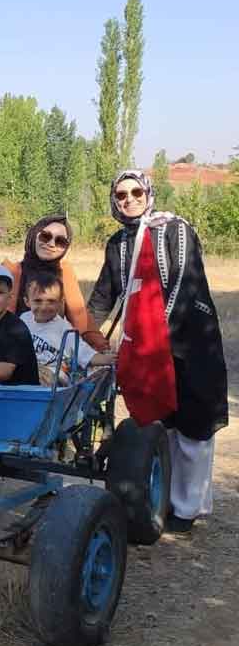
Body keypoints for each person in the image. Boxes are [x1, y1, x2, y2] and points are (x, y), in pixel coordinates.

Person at [87, 169, 228, 533]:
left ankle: (188, 508)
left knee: (193, 426)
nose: (129, 200)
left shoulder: (174, 229)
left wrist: (153, 336)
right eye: (121, 195)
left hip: (189, 342)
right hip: (148, 348)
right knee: (161, 423)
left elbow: (183, 284)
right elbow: (104, 295)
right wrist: (84, 335)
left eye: (136, 192)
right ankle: (164, 498)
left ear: (148, 193)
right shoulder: (118, 243)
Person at [0, 215, 109, 358]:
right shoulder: (12, 272)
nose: (51, 244)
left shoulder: (64, 273)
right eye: (45, 236)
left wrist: (102, 350)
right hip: (4, 352)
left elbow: (82, 319)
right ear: (34, 235)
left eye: (60, 241)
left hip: (46, 354)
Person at [20, 272, 115, 385]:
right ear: (27, 301)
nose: (44, 307)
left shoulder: (64, 329)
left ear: (61, 302)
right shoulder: (24, 319)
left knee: (35, 374)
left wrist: (110, 359)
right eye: (38, 301)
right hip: (27, 369)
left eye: (51, 301)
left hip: (54, 375)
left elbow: (85, 354)